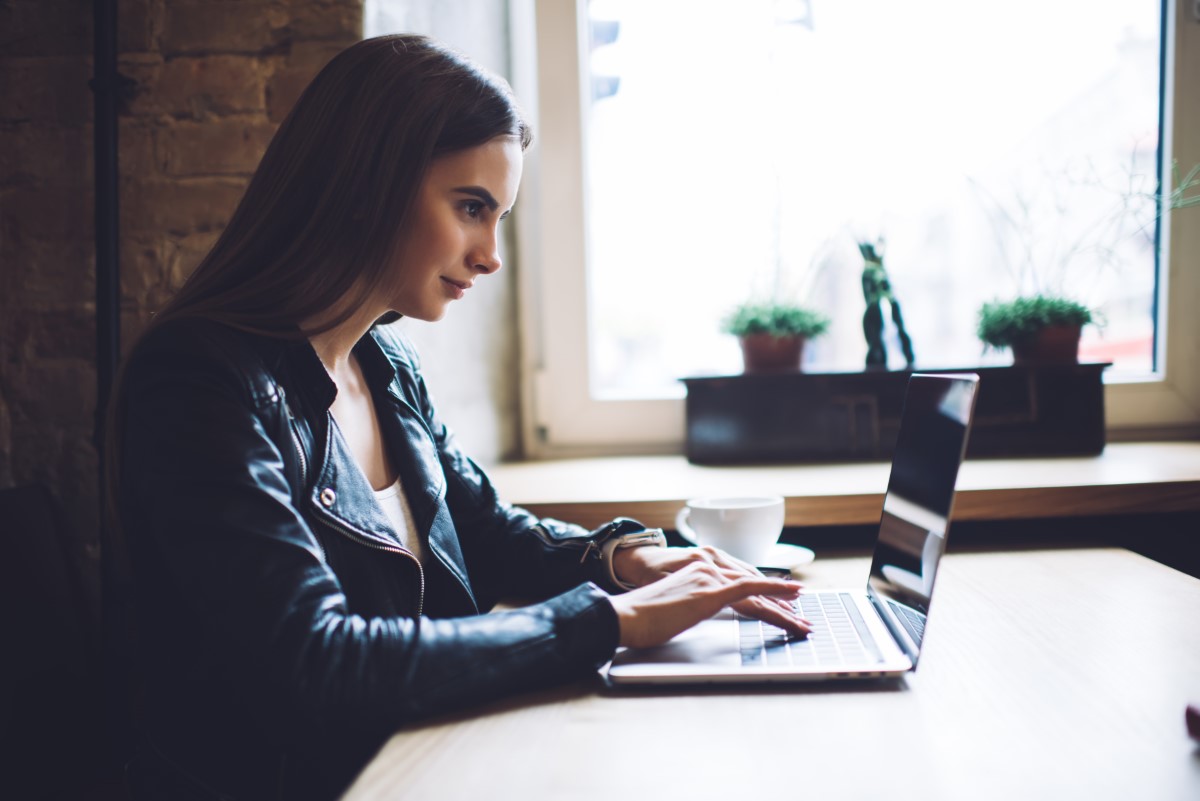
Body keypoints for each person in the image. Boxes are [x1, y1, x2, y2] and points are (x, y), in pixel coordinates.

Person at [110, 34, 809, 801]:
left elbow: (484, 530)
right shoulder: (199, 378)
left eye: (499, 215)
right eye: (472, 207)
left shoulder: (386, 366)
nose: (491, 256)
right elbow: (314, 661)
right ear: (365, 179)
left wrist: (621, 561)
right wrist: (612, 622)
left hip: (436, 758)